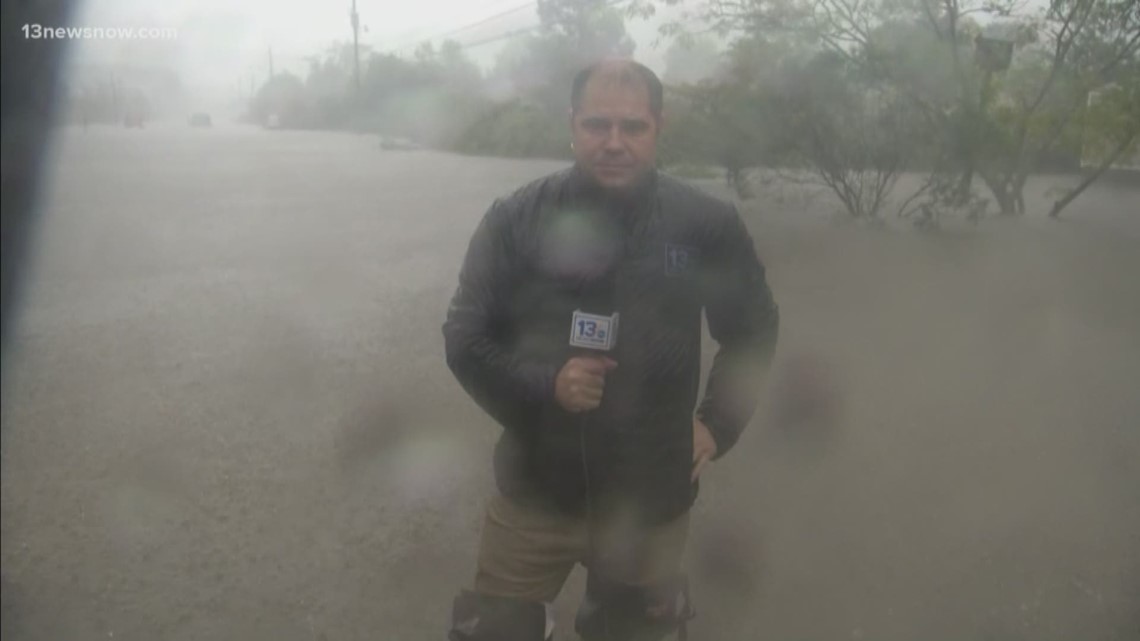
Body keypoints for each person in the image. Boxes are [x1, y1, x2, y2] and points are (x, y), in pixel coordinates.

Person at [442, 59, 779, 641]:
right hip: (535, 494)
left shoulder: (706, 225)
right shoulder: (515, 219)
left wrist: (717, 424)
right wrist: (547, 385)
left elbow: (752, 328)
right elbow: (464, 338)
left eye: (632, 126)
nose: (614, 143)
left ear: (659, 126)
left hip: (651, 502)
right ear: (571, 124)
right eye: (598, 125)